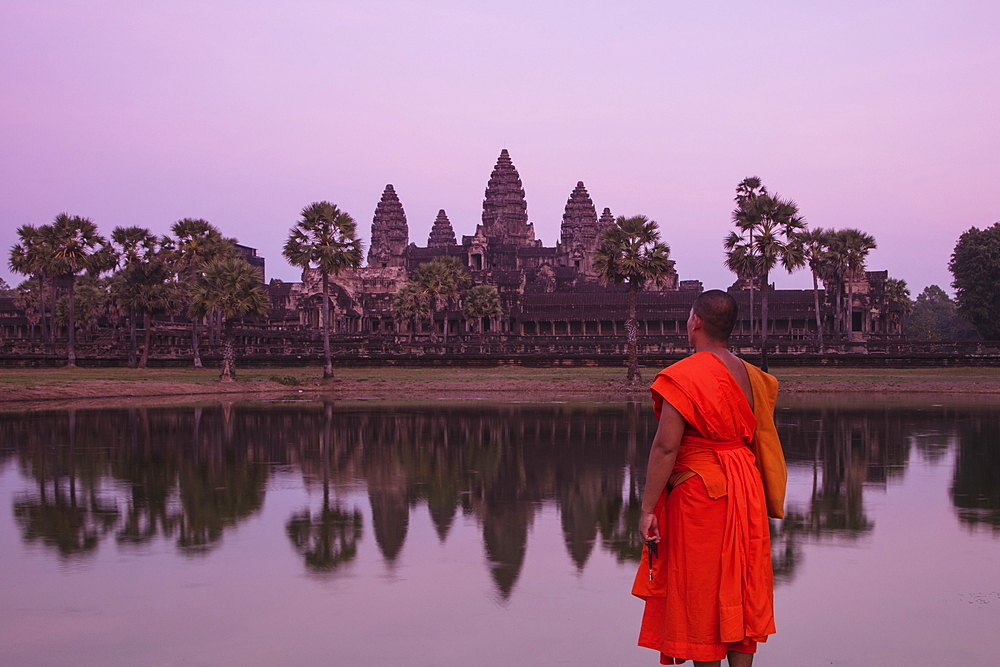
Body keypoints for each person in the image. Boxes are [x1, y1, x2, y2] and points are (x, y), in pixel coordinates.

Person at [632, 289, 786, 666]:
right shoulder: (752, 375)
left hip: (701, 491)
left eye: (689, 316)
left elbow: (665, 448)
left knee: (701, 588)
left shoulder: (685, 374)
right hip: (745, 485)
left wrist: (648, 509)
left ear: (695, 322)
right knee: (740, 581)